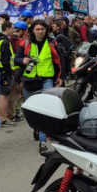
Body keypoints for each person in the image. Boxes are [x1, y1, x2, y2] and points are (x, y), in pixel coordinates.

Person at [15, 20, 63, 152]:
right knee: (31, 110)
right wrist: (22, 60)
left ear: (46, 30)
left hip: (46, 79)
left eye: (42, 29)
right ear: (32, 30)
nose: (40, 31)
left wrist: (61, 77)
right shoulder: (25, 43)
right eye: (37, 29)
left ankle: (43, 141)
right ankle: (37, 127)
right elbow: (16, 59)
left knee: (44, 110)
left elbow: (60, 61)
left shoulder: (52, 43)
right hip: (29, 80)